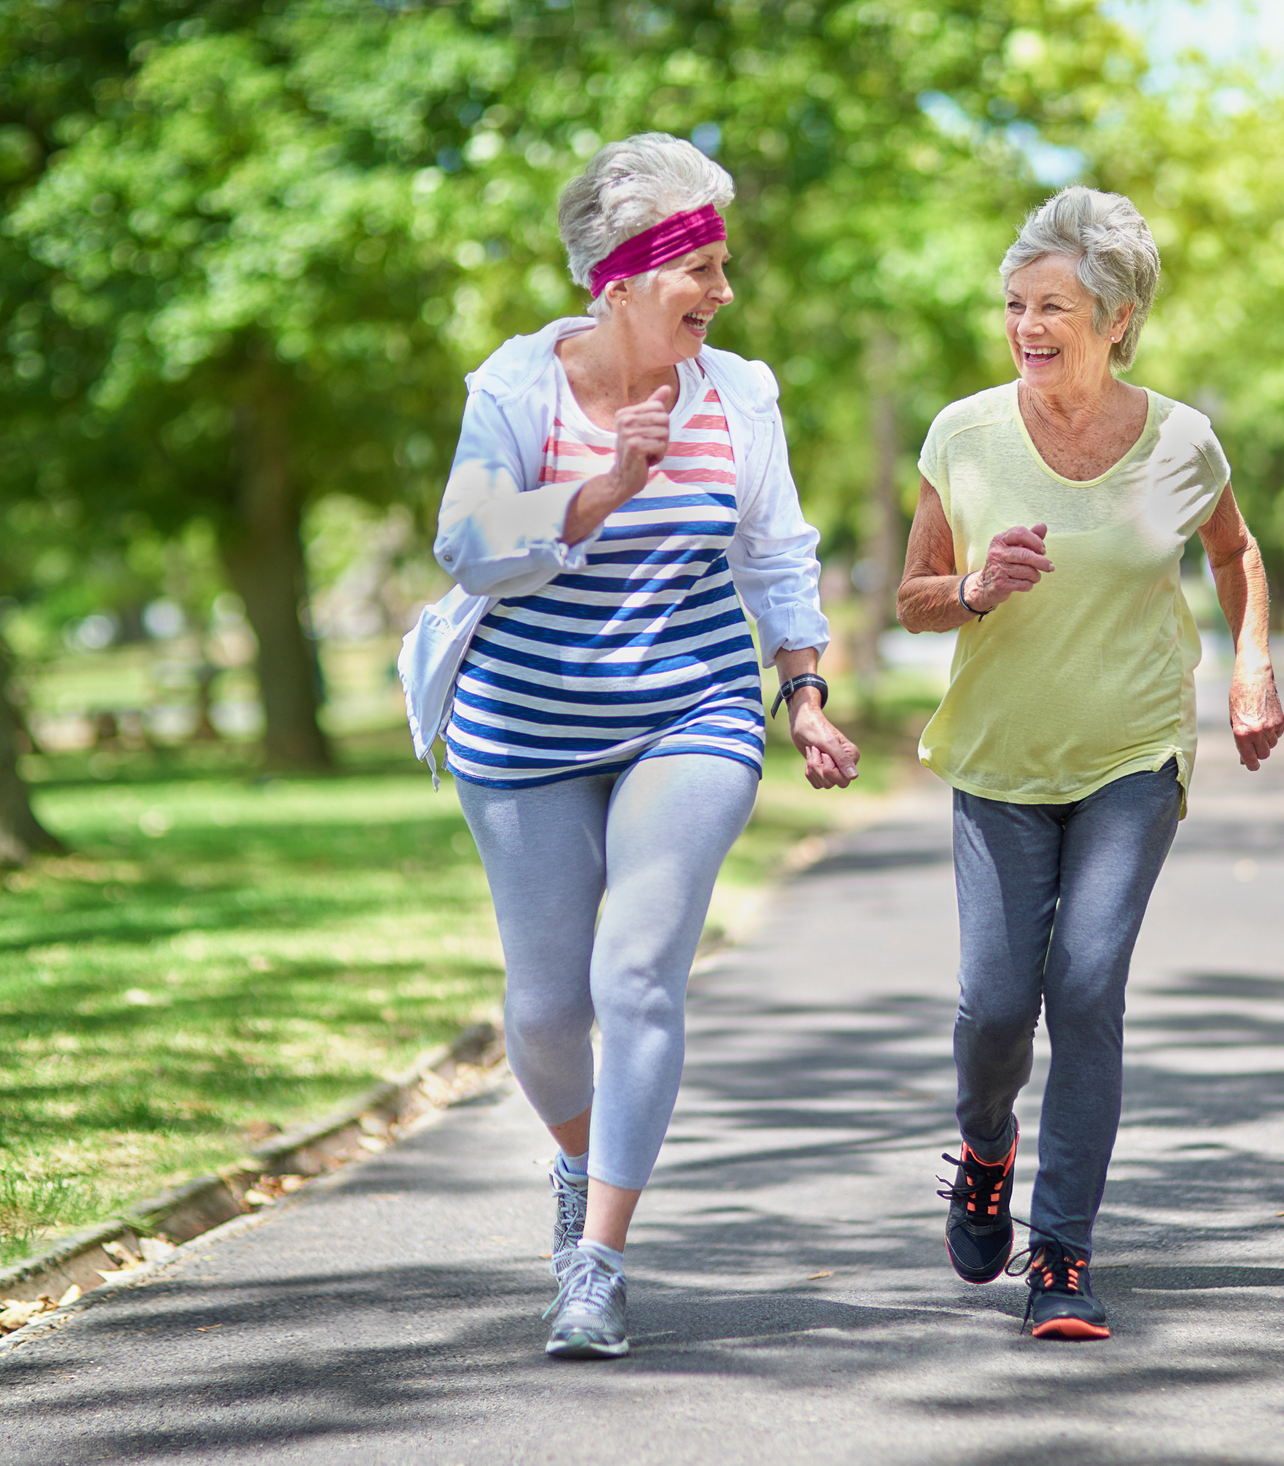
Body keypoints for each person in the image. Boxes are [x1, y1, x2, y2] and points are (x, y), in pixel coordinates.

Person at [399, 133, 859, 1362]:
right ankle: (576, 1158)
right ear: (617, 276)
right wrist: (603, 485)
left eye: (722, 264)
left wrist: (802, 688)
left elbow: (774, 550)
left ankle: (596, 1259)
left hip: (689, 708)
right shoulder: (516, 388)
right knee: (548, 1006)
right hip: (525, 722)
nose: (719, 291)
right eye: (695, 267)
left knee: (637, 971)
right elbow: (468, 542)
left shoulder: (739, 393)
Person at [897, 186, 1284, 1341]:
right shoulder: (967, 438)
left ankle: (1060, 1253)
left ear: (1116, 318)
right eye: (1015, 303)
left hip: (1130, 750)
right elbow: (914, 598)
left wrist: (1250, 666)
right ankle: (985, 1145)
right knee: (993, 1004)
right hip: (1000, 757)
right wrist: (972, 587)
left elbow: (1235, 552)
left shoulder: (1172, 446)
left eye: (1051, 304)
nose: (1026, 323)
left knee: (1086, 985)